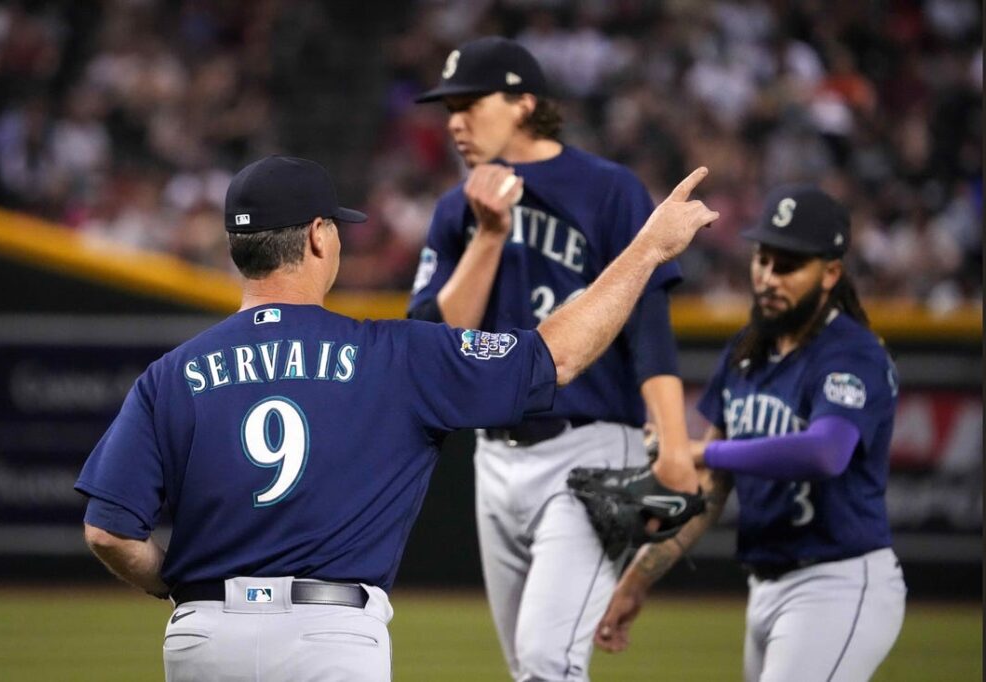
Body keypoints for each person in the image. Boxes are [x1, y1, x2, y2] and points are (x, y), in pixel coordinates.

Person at [75, 154, 718, 682]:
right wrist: (648, 250)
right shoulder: (393, 354)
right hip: (328, 639)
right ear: (318, 236)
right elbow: (560, 355)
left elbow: (108, 532)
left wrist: (181, 588)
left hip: (203, 640)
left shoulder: (172, 373)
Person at [407, 36, 700, 681]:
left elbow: (647, 323)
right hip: (495, 458)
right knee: (530, 667)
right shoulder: (456, 209)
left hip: (589, 450)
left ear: (523, 102)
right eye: (446, 107)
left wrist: (674, 441)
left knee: (547, 661)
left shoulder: (606, 188)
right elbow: (433, 340)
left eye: (468, 103)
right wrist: (487, 237)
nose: (453, 120)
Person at [595, 186, 907, 681]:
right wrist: (636, 581)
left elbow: (828, 452)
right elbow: (711, 489)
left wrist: (706, 450)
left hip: (839, 582)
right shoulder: (747, 350)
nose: (767, 277)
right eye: (762, 259)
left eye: (787, 265)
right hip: (765, 587)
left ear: (830, 273)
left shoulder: (851, 352)